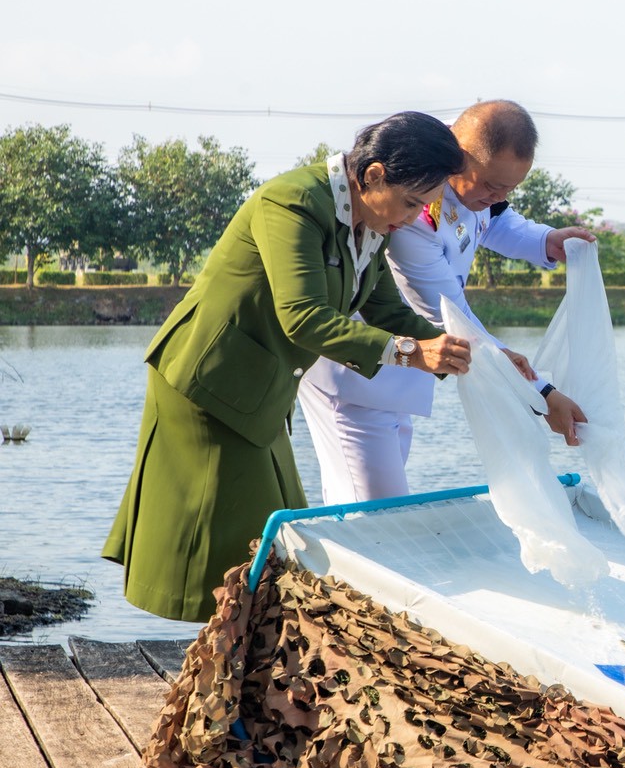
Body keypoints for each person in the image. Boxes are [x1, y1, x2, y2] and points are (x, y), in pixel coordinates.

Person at [103, 112, 474, 622]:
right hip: (208, 385)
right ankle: (219, 659)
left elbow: (388, 310)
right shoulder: (293, 202)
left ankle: (232, 657)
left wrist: (469, 354)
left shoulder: (372, 221)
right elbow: (302, 316)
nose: (413, 219)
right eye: (411, 203)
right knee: (236, 549)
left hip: (258, 391)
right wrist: (412, 353)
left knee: (271, 545)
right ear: (373, 176)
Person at [297, 100, 594, 505]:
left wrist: (544, 240)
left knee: (380, 508)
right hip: (358, 375)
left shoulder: (475, 186)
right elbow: (450, 315)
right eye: (490, 185)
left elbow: (492, 221)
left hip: (404, 372)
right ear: (459, 154)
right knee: (374, 513)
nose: (497, 197)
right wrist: (542, 393)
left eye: (509, 189)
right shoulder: (414, 212)